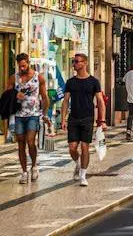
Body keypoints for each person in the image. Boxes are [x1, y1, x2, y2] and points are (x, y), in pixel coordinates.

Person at [61, 53, 105, 187]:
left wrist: (101, 120)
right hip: (73, 118)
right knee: (72, 148)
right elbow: (65, 101)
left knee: (85, 146)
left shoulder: (93, 82)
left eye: (77, 61)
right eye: (74, 61)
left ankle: (83, 175)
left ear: (84, 63)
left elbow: (100, 101)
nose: (74, 64)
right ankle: (79, 163)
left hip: (88, 118)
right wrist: (63, 118)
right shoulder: (71, 82)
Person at [5, 53, 50, 184]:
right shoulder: (14, 78)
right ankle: (24, 172)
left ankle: (34, 166)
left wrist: (45, 113)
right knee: (20, 143)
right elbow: (6, 96)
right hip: (18, 115)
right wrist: (14, 95)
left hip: (33, 114)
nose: (22, 69)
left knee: (31, 141)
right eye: (20, 66)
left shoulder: (38, 77)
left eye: (24, 66)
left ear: (28, 63)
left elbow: (44, 96)